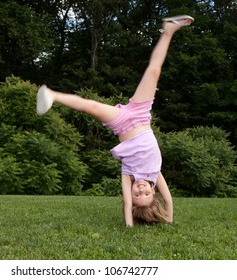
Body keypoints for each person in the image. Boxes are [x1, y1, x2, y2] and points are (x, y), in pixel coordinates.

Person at [36, 15, 194, 227]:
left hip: (121, 124)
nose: (140, 190)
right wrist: (170, 220)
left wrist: (129, 225)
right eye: (146, 193)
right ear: (152, 190)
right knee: (154, 71)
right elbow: (169, 199)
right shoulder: (155, 174)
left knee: (90, 106)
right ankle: (168, 30)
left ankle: (52, 95)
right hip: (141, 114)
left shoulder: (127, 175)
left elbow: (127, 204)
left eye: (138, 195)